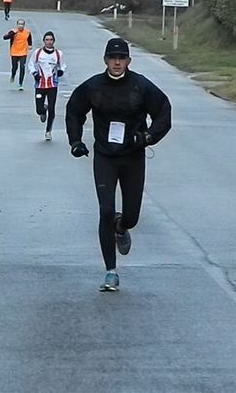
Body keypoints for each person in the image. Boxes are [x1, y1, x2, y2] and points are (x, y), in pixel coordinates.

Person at [65, 37, 171, 292]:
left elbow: (164, 112)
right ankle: (110, 272)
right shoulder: (93, 86)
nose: (117, 62)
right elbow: (74, 111)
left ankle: (122, 227)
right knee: (105, 211)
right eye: (112, 58)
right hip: (105, 157)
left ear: (128, 61)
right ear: (105, 60)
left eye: (121, 58)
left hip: (133, 156)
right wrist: (75, 141)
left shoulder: (140, 86)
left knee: (132, 216)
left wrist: (147, 137)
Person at [28, 31, 66, 141]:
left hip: (52, 85)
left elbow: (63, 65)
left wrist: (61, 71)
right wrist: (34, 73)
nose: (49, 42)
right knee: (39, 109)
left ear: (54, 41)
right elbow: (31, 64)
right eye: (47, 40)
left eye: (51, 40)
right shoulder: (38, 53)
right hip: (40, 85)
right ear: (44, 41)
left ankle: (48, 131)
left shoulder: (59, 54)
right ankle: (42, 110)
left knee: (52, 108)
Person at [2, 18, 32, 91]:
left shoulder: (27, 32)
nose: (20, 26)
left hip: (23, 53)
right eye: (19, 24)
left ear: (24, 25)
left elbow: (29, 39)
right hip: (14, 52)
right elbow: (5, 37)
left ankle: (20, 84)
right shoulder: (13, 32)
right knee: (14, 67)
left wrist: (30, 45)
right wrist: (12, 34)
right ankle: (13, 75)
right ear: (17, 25)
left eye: (22, 24)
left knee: (22, 67)